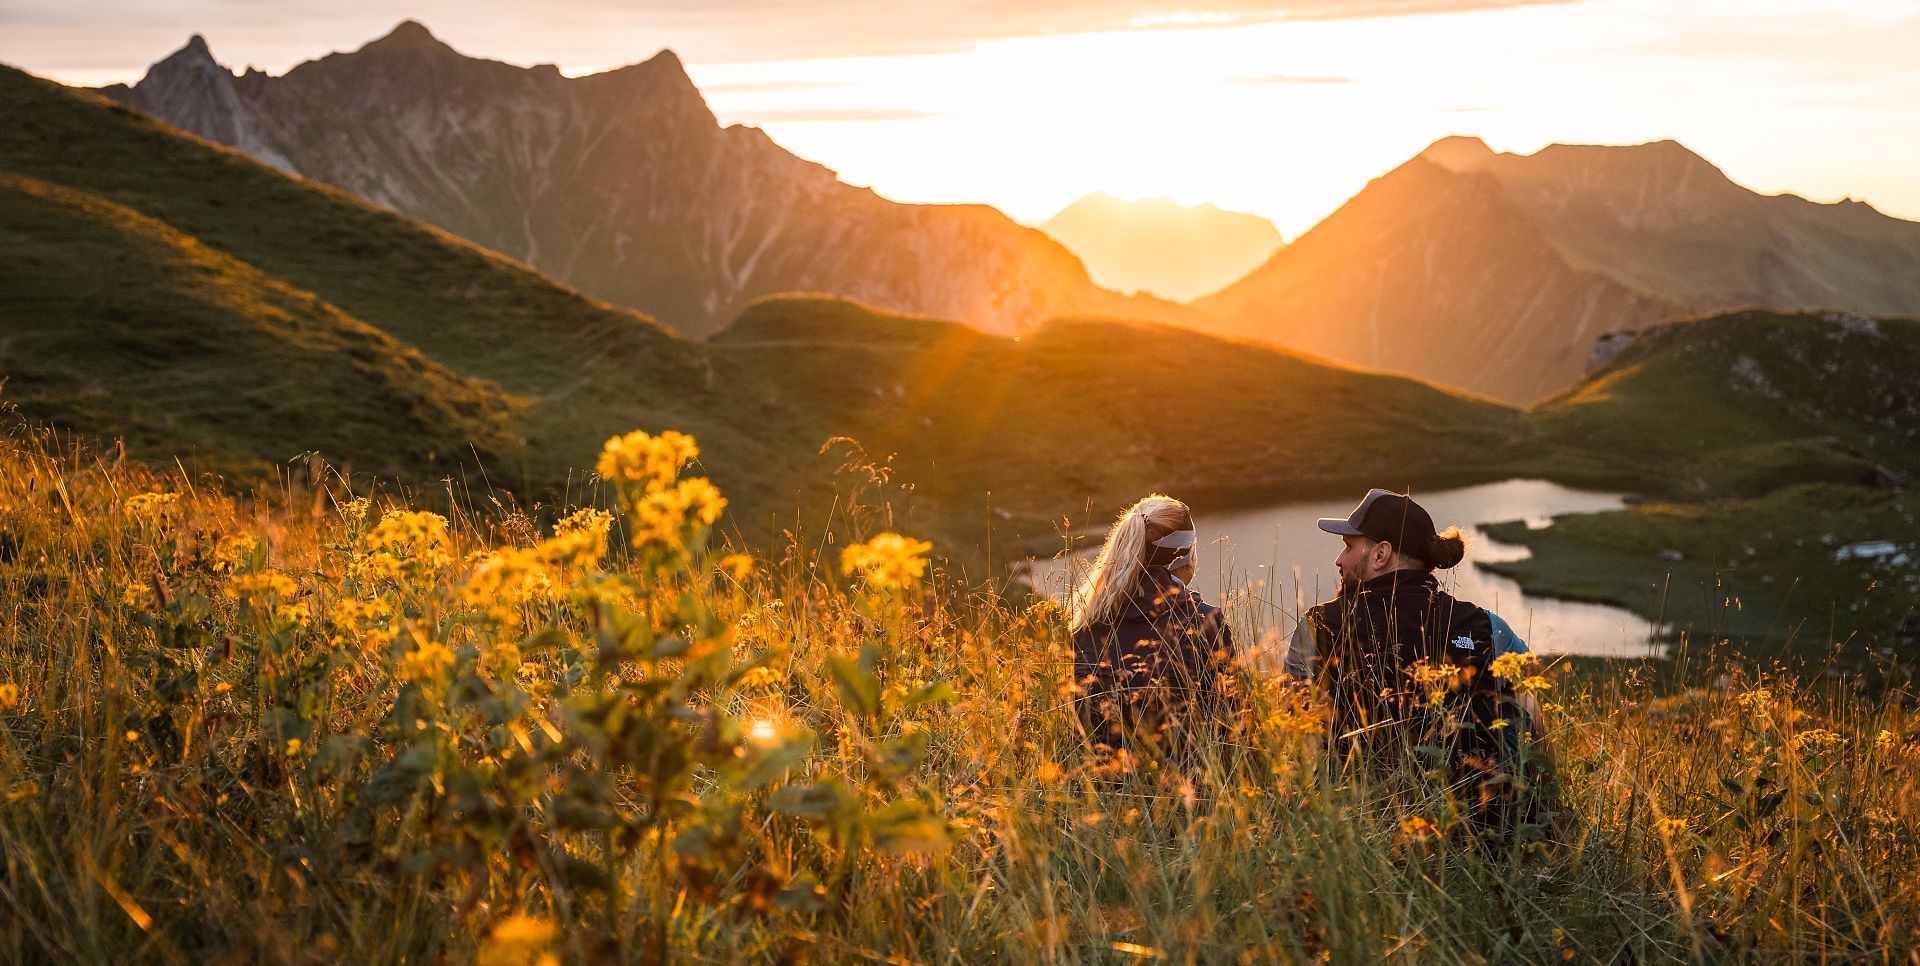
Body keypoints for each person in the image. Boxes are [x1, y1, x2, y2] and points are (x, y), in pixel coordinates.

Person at [1284, 488, 1541, 822]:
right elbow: (1536, 710)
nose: (1339, 560)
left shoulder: (1319, 626)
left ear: (1381, 554)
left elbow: (1291, 732)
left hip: (1355, 830)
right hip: (1479, 835)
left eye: (1349, 547)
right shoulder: (1486, 626)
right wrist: (1547, 812)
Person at [1068, 495, 1241, 767]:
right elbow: (1234, 717)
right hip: (1193, 790)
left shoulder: (1087, 622)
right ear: (1185, 557)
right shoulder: (1204, 620)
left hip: (1106, 788)